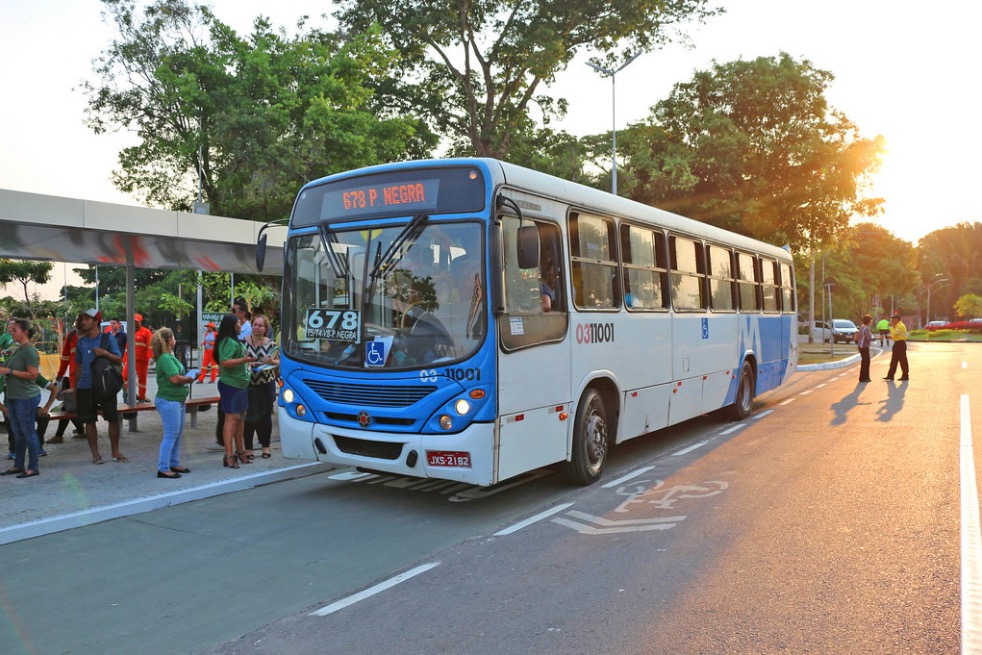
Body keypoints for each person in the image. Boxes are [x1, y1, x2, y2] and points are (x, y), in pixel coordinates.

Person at [75, 308, 126, 464]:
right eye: (82, 319)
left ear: (96, 321)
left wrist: (104, 353)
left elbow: (118, 359)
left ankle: (115, 451)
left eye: (87, 319)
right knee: (89, 420)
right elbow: (78, 366)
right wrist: (76, 388)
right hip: (85, 386)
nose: (84, 322)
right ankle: (95, 455)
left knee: (112, 418)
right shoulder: (81, 342)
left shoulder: (107, 338)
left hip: (105, 385)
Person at [151, 327, 198, 479]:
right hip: (169, 400)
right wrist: (189, 378)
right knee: (170, 435)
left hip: (176, 401)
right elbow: (175, 379)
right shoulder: (165, 358)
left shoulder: (168, 356)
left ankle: (174, 462)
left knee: (176, 434)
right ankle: (163, 468)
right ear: (169, 340)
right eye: (173, 337)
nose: (175, 340)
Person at [0, 318, 42, 478]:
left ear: (25, 332)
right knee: (18, 433)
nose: (11, 331)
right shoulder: (18, 349)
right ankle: (18, 464)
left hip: (25, 397)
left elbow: (33, 375)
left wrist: (8, 372)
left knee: (28, 432)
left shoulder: (29, 351)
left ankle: (33, 467)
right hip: (14, 396)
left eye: (15, 329)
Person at [215, 313, 255, 469]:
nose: (241, 325)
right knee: (231, 420)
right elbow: (225, 362)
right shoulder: (227, 342)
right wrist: (244, 360)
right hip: (231, 385)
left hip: (240, 386)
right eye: (238, 323)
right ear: (232, 326)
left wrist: (248, 362)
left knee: (240, 420)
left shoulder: (235, 341)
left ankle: (240, 451)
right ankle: (229, 455)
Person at [243, 314, 279, 460]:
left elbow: (279, 362)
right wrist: (247, 363)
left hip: (266, 383)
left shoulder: (271, 345)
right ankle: (248, 448)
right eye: (255, 325)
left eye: (260, 325)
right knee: (249, 416)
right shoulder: (243, 343)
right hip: (249, 384)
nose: (257, 328)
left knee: (265, 416)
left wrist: (271, 362)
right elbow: (238, 361)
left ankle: (266, 446)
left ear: (265, 328)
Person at [123, 313, 154, 402]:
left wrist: (151, 357)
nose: (135, 323)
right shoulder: (130, 332)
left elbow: (150, 345)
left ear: (140, 322)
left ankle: (141, 397)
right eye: (133, 322)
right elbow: (127, 347)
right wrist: (125, 359)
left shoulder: (146, 332)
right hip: (130, 359)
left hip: (142, 359)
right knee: (124, 376)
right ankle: (132, 393)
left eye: (137, 322)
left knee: (142, 379)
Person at [883, 312, 909, 381]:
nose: (891, 321)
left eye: (893, 319)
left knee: (903, 361)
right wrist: (892, 332)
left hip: (901, 344)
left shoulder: (900, 326)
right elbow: (893, 335)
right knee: (894, 360)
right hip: (896, 344)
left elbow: (895, 333)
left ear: (897, 319)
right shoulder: (895, 326)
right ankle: (890, 375)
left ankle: (905, 375)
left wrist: (892, 329)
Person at [856, 314, 873, 382]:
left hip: (861, 346)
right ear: (868, 321)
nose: (871, 322)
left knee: (864, 361)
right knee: (866, 361)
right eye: (871, 320)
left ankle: (863, 377)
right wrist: (878, 338)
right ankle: (865, 377)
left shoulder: (862, 327)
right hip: (864, 346)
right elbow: (868, 338)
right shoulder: (865, 328)